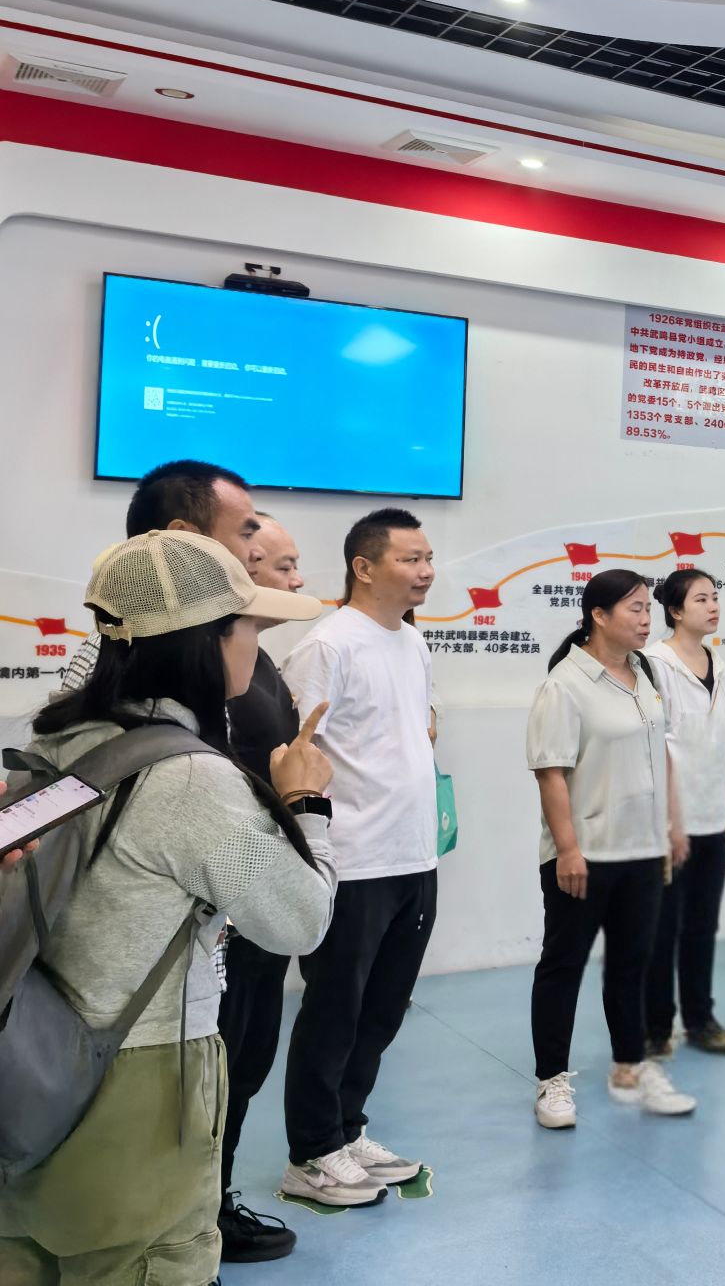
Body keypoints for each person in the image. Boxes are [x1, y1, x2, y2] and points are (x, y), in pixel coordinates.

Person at [0, 531, 335, 1286]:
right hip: (139, 1081)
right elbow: (299, 921)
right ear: (209, 642)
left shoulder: (59, 740)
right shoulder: (187, 780)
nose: (256, 646)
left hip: (28, 1058)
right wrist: (306, 803)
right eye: (248, 625)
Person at [277, 509, 439, 1206]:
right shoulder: (327, 645)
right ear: (364, 567)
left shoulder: (413, 641)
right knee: (334, 1009)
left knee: (383, 1009)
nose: (425, 571)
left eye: (428, 558)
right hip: (352, 859)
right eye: (410, 558)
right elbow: (294, 754)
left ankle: (347, 1129)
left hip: (413, 855)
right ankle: (311, 1153)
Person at [527, 570, 695, 1129]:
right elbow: (551, 773)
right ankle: (552, 1082)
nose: (647, 620)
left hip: (641, 851)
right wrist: (568, 850)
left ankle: (630, 1068)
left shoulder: (645, 672)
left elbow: (660, 751)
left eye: (649, 609)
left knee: (631, 966)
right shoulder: (565, 685)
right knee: (563, 967)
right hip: (586, 855)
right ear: (598, 616)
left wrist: (671, 827)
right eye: (635, 610)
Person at [214, 515, 310, 1268]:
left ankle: (211, 1204)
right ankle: (195, 1216)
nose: (296, 581)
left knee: (245, 1062)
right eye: (278, 565)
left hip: (262, 892)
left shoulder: (263, 661)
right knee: (216, 1067)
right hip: (226, 898)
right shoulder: (205, 666)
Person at [58, 459, 263, 694]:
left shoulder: (141, 643)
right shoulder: (123, 656)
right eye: (246, 534)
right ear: (182, 537)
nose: (259, 552)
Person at [645, 568, 725, 1058]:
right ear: (675, 611)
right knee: (662, 928)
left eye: (715, 597)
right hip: (668, 823)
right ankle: (656, 1027)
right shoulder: (653, 664)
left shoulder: (721, 666)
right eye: (701, 599)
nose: (713, 606)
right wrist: (670, 820)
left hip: (712, 816)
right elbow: (653, 746)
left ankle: (701, 1019)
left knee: (703, 925)